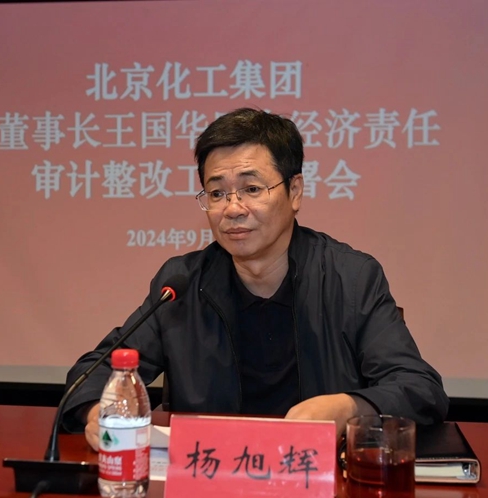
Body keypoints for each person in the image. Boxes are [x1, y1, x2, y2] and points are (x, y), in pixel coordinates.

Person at [62, 107, 449, 450]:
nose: (233, 209)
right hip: (211, 479)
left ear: (294, 191)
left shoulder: (350, 278)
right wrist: (97, 412)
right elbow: (93, 372)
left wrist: (348, 408)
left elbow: (419, 387)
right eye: (217, 193)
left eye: (251, 189)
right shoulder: (183, 283)